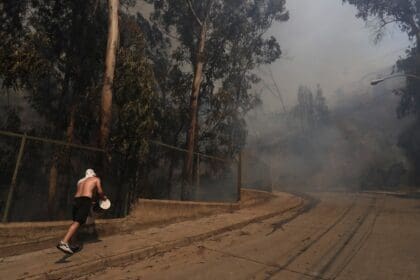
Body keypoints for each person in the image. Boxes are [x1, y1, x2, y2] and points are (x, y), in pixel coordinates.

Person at [56, 168, 107, 254]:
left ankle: (72, 244)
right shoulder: (96, 179)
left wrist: (92, 200)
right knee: (78, 222)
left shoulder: (80, 181)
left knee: (76, 222)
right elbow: (99, 191)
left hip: (76, 200)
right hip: (85, 201)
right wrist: (103, 198)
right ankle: (63, 243)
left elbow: (83, 192)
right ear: (93, 174)